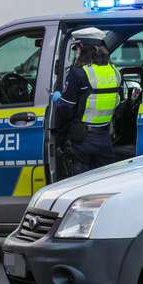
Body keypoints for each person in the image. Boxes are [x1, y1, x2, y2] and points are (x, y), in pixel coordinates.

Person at [51, 27, 124, 176]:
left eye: (76, 48)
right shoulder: (115, 72)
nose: (75, 52)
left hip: (82, 142)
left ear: (83, 48)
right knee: (102, 185)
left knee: (79, 187)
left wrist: (58, 99)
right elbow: (119, 104)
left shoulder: (79, 73)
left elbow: (66, 109)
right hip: (105, 140)